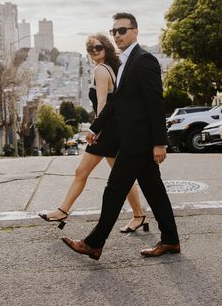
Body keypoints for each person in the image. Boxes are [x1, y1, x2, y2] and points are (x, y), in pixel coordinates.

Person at [62, 13, 180, 260]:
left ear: (135, 31)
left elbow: (155, 103)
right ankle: (170, 240)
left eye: (122, 30)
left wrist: (160, 142)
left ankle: (94, 243)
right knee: (154, 191)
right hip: (134, 139)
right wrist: (95, 128)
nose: (117, 36)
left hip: (139, 141)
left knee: (114, 190)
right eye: (114, 31)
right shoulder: (126, 61)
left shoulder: (144, 59)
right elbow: (115, 103)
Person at [38, 33, 149, 233]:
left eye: (98, 47)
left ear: (106, 47)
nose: (94, 52)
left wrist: (95, 129)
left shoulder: (100, 70)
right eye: (90, 49)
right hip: (114, 129)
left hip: (107, 130)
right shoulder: (116, 67)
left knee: (109, 175)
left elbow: (103, 103)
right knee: (112, 175)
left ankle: (138, 215)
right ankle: (138, 215)